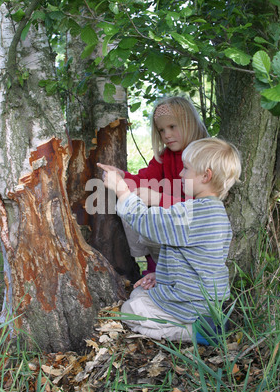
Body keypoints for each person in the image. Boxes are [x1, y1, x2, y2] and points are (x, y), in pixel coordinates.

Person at [97, 137, 241, 343]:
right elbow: (198, 261)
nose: (181, 174)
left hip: (189, 303)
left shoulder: (191, 213)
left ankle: (198, 332)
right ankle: (207, 321)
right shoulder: (216, 213)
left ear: (205, 176)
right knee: (138, 294)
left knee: (130, 311)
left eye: (186, 169)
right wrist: (162, 274)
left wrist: (122, 190)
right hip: (203, 298)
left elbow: (147, 222)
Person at [105, 96, 208, 274]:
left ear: (189, 123)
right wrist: (122, 176)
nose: (166, 135)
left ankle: (163, 268)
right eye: (161, 130)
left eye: (172, 127)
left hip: (193, 228)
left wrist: (159, 199)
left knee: (150, 212)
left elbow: (200, 208)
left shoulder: (203, 155)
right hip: (170, 217)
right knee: (129, 203)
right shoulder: (165, 156)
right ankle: (152, 263)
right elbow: (144, 179)